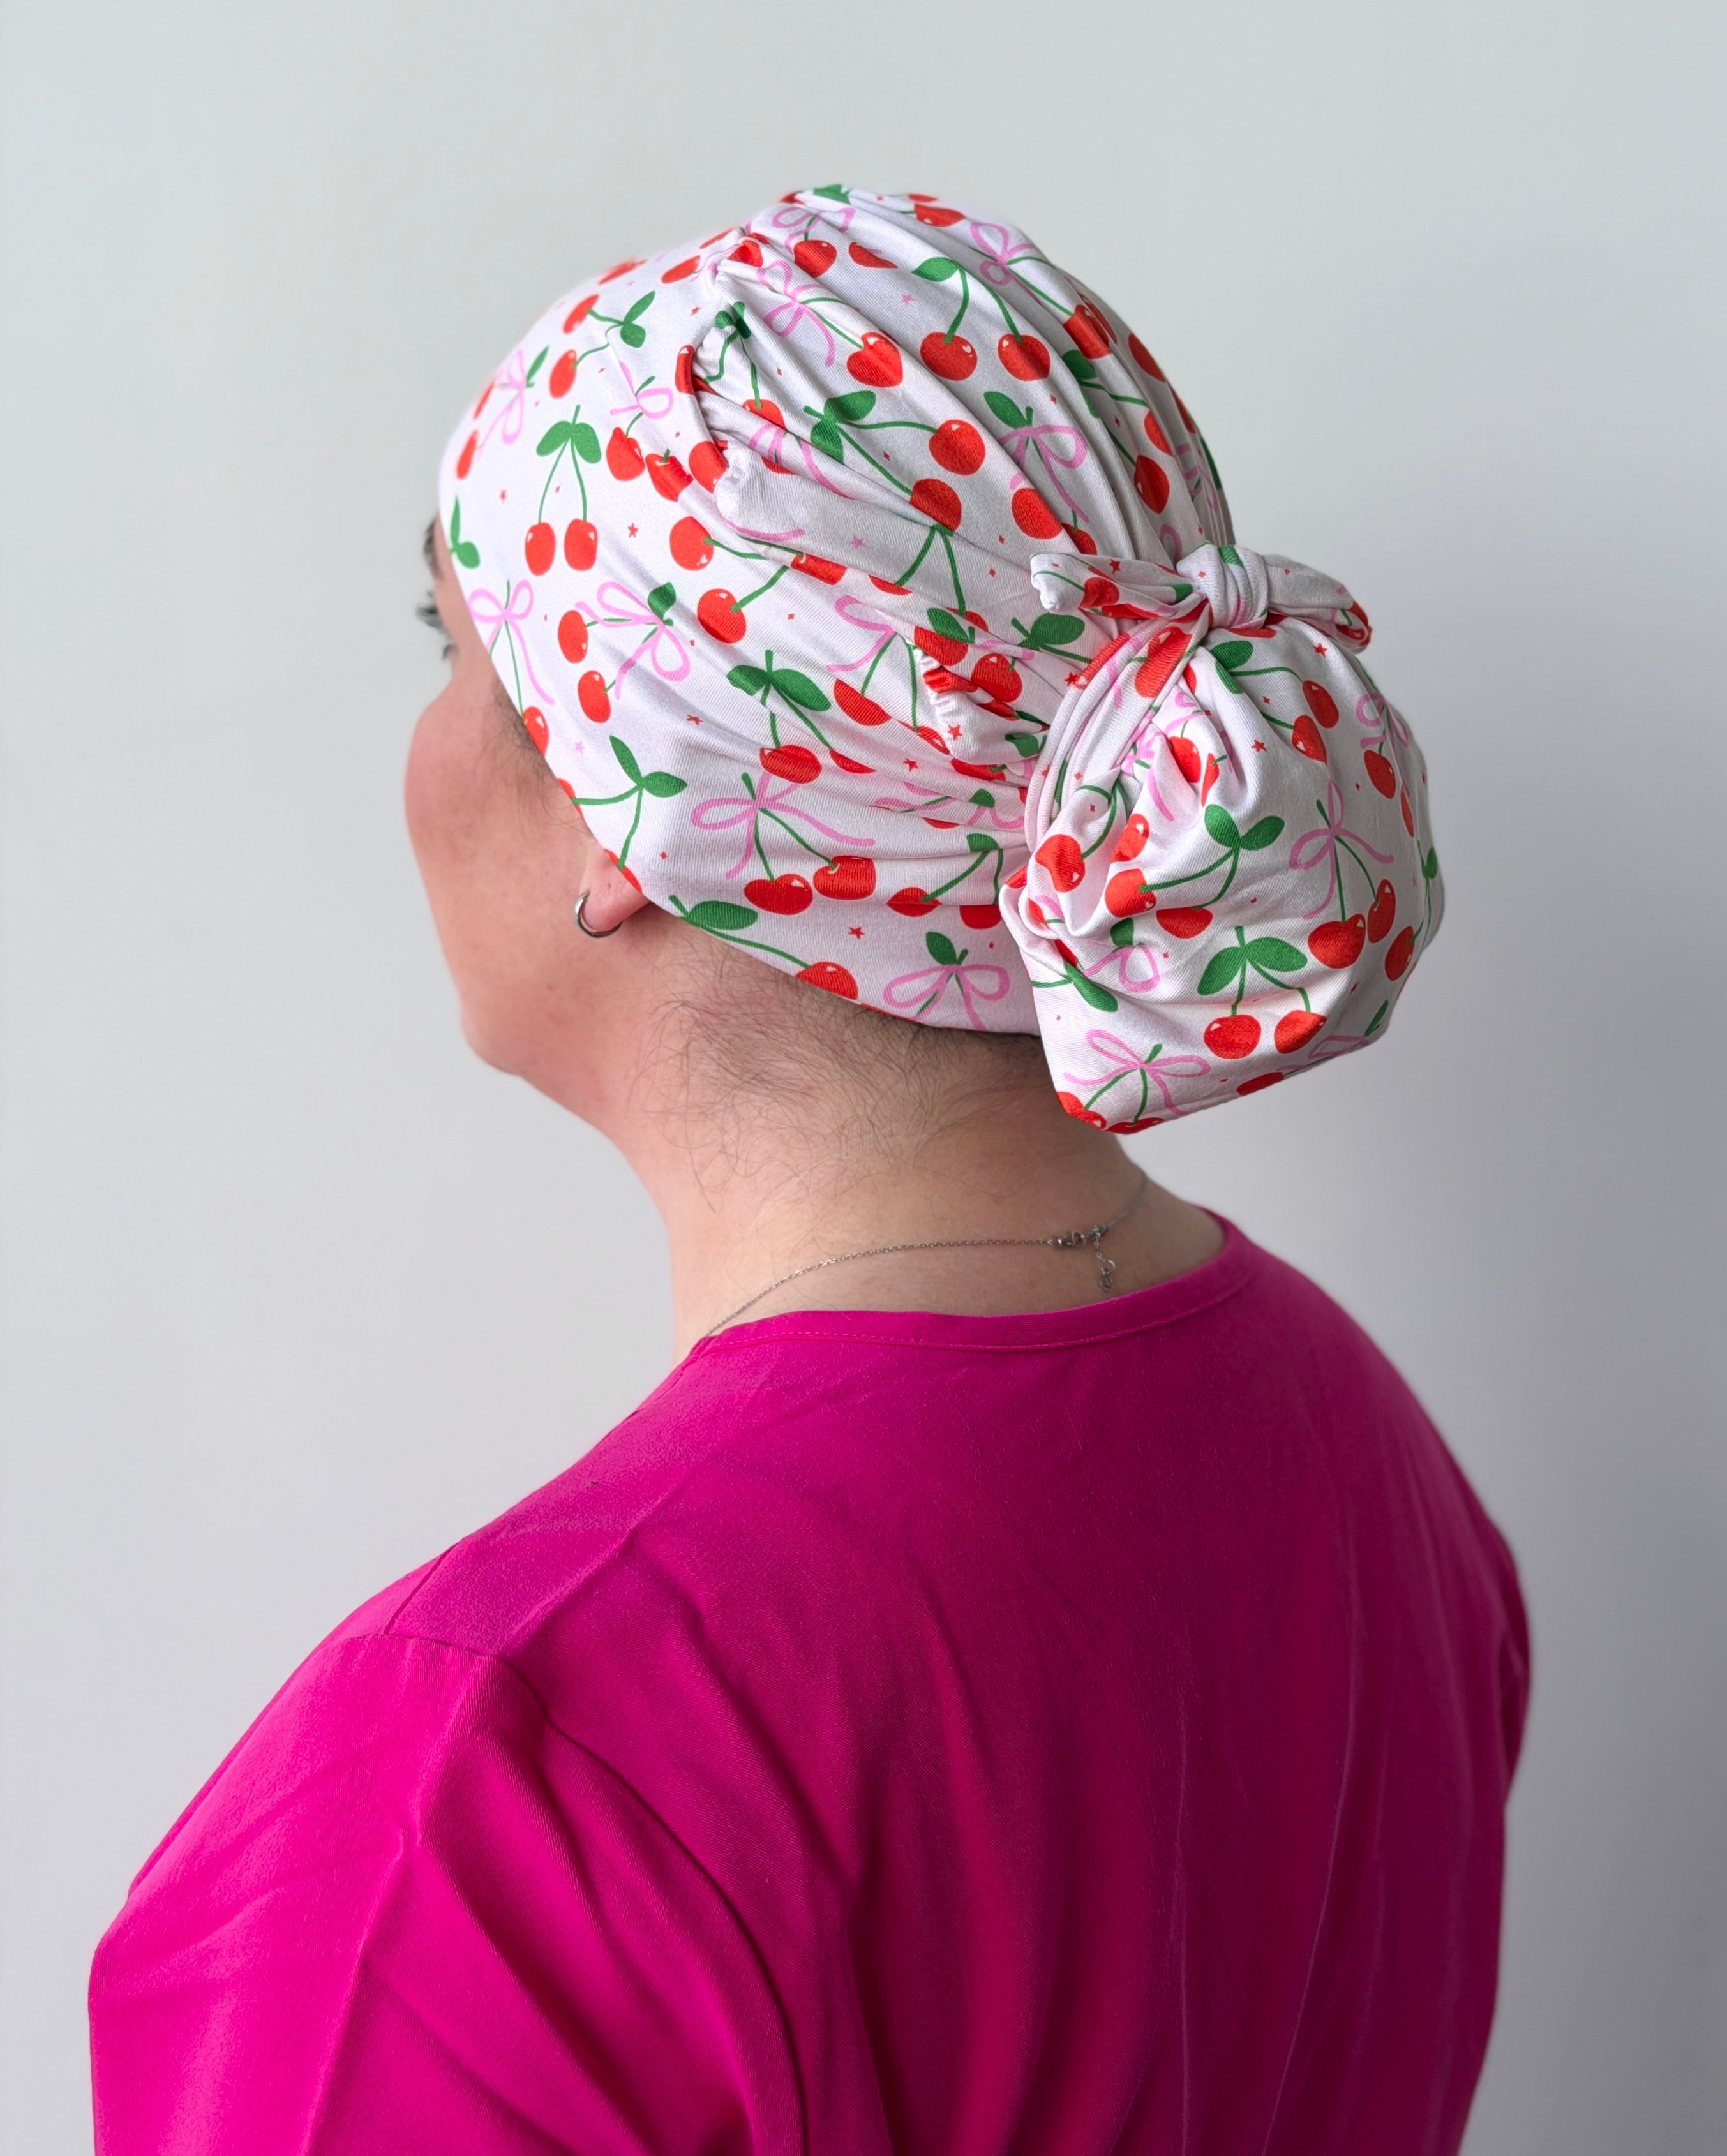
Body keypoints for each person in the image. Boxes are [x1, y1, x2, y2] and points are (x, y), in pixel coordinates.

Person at [89, 188, 1529, 2153]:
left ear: (629, 818)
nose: (415, 744)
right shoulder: (1357, 1449)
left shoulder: (482, 1804)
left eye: (451, 644)